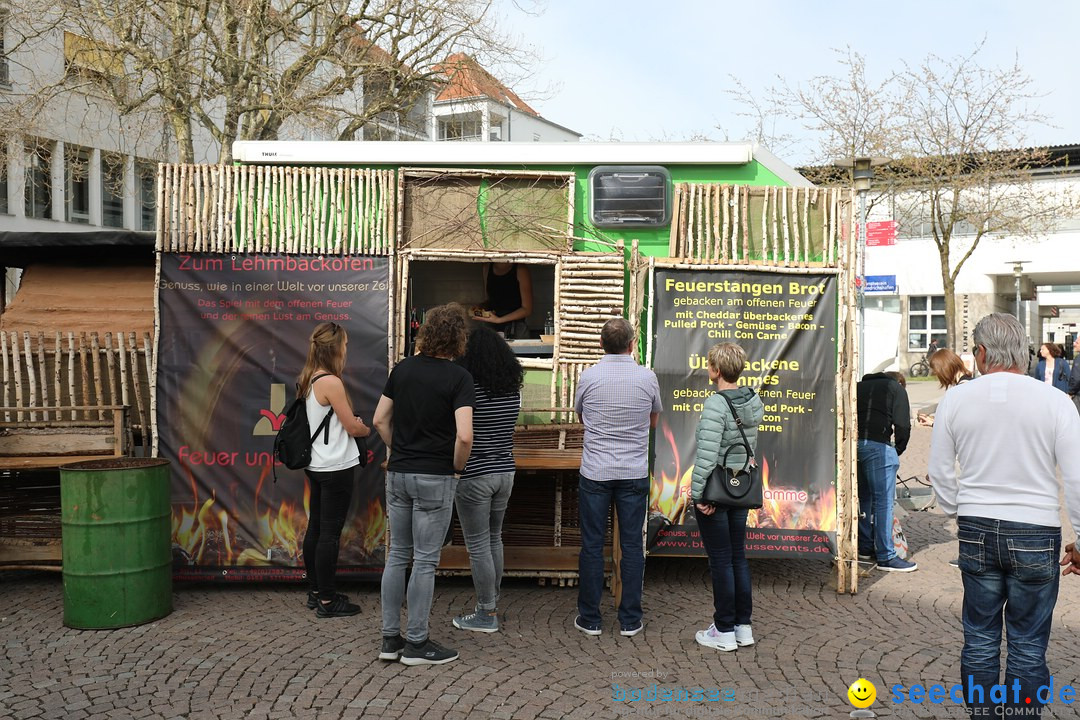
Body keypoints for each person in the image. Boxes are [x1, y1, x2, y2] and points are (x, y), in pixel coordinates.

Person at [928, 313, 1080, 719]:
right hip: (1035, 527)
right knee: (1028, 641)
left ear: (980, 352)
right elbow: (1078, 477)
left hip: (977, 524)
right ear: (1022, 352)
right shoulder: (1055, 401)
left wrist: (958, 509)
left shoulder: (956, 399)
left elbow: (941, 471)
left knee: (979, 637)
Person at [373, 304, 474, 665]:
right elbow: (464, 436)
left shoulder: (402, 370)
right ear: (458, 338)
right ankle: (416, 643)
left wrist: (396, 448)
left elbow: (379, 419)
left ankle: (390, 640)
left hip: (399, 472)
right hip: (436, 476)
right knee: (426, 562)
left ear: (426, 333)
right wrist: (456, 469)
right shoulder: (459, 378)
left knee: (397, 555)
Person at [573, 317, 662, 638]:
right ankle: (630, 619)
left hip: (596, 471)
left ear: (601, 344)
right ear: (631, 344)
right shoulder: (647, 377)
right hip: (633, 472)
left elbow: (582, 416)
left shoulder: (589, 377)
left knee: (592, 545)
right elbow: (653, 422)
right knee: (632, 546)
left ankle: (590, 618)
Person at [688, 342, 764, 652]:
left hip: (717, 491)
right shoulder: (752, 399)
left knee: (720, 560)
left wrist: (698, 495)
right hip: (741, 488)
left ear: (716, 370)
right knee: (737, 557)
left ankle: (722, 630)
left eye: (709, 366)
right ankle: (742, 627)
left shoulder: (716, 404)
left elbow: (707, 456)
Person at [451, 326, 524, 633]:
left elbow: (461, 434)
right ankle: (492, 603)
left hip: (474, 474)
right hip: (505, 472)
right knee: (495, 539)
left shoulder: (468, 390)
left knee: (478, 545)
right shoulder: (512, 390)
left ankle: (486, 613)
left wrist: (456, 468)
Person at [298, 322, 371, 618]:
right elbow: (352, 426)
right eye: (345, 344)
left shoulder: (308, 378)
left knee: (316, 528)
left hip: (316, 464)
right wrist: (364, 427)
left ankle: (316, 591)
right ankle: (328, 601)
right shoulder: (332, 382)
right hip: (335, 466)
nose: (346, 349)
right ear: (335, 349)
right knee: (329, 533)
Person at [856, 370, 916, 572]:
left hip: (854, 446)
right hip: (878, 446)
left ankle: (864, 547)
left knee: (863, 498)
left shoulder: (857, 386)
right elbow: (902, 425)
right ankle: (886, 556)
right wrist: (897, 449)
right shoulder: (895, 388)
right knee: (884, 503)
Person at [916, 349, 973, 427]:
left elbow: (958, 425)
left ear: (944, 370)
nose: (938, 378)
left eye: (937, 373)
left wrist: (935, 423)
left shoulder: (960, 389)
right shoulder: (969, 383)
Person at [474, 262, 533, 336]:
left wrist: (499, 320)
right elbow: (490, 299)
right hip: (492, 324)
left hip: (515, 327)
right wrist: (480, 308)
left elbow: (527, 309)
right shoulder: (487, 267)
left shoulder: (520, 269)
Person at [1070, 336, 1080, 414]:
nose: (1074, 344)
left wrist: (1070, 392)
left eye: (1077, 342)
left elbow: (1076, 378)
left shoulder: (1078, 359)